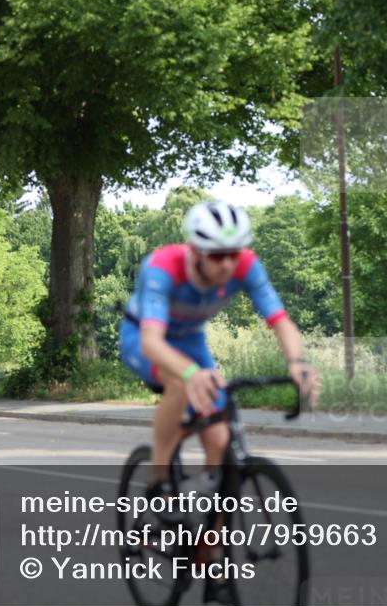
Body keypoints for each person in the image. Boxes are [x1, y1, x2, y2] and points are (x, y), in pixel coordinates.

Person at [119, 200, 319, 516]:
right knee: (181, 383)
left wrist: (297, 362)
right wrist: (189, 373)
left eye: (234, 253)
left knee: (220, 439)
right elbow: (152, 342)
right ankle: (158, 478)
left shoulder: (247, 266)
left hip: (191, 339)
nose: (227, 264)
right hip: (142, 339)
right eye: (216, 255)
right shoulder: (163, 267)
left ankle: (209, 545)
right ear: (195, 251)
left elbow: (281, 321)